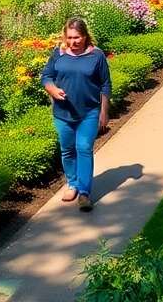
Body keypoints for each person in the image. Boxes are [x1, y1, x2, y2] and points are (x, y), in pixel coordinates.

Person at [40, 17, 111, 211]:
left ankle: (84, 192)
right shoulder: (58, 53)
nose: (73, 42)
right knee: (67, 150)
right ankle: (72, 183)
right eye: (70, 37)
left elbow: (105, 84)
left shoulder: (96, 56)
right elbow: (46, 76)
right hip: (63, 113)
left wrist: (104, 111)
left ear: (85, 36)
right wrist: (52, 89)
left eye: (77, 37)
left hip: (89, 111)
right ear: (65, 36)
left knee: (84, 148)